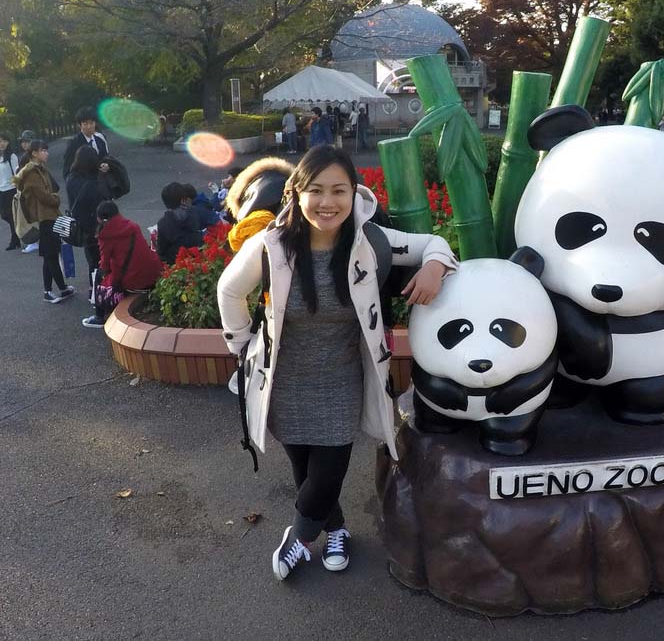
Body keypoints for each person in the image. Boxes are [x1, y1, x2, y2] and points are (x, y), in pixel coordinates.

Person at [217, 145, 458, 582]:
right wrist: (243, 344)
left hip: (342, 381)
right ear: (297, 192)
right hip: (284, 382)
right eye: (316, 190)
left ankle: (298, 539)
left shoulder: (371, 241)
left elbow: (433, 243)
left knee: (328, 474)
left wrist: (436, 266)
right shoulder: (270, 245)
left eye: (338, 191)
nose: (327, 202)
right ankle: (337, 530)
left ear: (353, 195)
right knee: (305, 470)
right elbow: (229, 292)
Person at [82, 201, 165, 328]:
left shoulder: (105, 236)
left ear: (100, 219)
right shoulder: (133, 226)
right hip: (153, 271)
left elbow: (104, 265)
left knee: (98, 275)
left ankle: (99, 316)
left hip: (133, 279)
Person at [13, 140, 74, 303]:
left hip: (47, 215)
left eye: (46, 150)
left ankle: (52, 290)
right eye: (43, 150)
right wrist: (56, 199)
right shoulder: (32, 172)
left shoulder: (39, 169)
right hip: (44, 216)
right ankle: (58, 289)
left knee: (50, 255)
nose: (46, 153)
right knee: (51, 254)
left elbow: (52, 188)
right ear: (34, 153)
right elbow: (45, 196)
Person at [66, 146, 109, 302]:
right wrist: (102, 176)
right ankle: (98, 293)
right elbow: (102, 195)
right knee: (100, 260)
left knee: (92, 260)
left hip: (82, 225)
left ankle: (94, 290)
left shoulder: (71, 178)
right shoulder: (91, 181)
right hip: (95, 225)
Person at [156, 182, 205, 264]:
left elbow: (161, 250)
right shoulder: (194, 213)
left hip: (176, 265)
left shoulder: (163, 224)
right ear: (183, 200)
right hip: (198, 260)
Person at [63, 107, 109, 180]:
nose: (89, 127)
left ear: (95, 123)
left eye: (91, 123)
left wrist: (106, 165)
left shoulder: (100, 141)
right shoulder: (73, 144)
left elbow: (107, 159)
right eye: (85, 124)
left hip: (101, 184)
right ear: (79, 125)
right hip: (83, 186)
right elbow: (67, 170)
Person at [0, 133, 20, 250]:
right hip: (1, 190)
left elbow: (17, 173)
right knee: (5, 215)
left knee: (11, 215)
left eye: (4, 141)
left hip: (11, 189)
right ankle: (16, 236)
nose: (2, 144)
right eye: (0, 141)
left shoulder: (11, 156)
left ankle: (15, 240)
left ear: (8, 142)